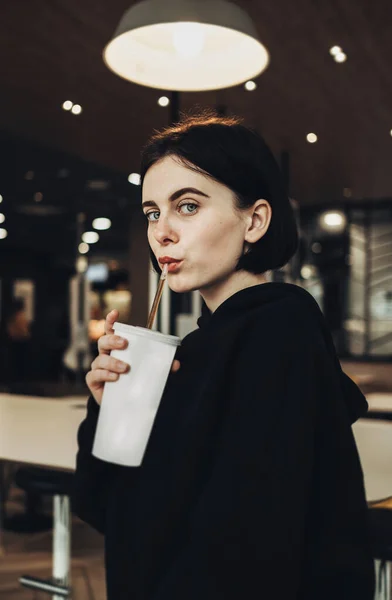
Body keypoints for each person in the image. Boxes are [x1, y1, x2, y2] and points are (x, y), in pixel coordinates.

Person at [72, 111, 375, 600]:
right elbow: (106, 506)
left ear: (254, 220)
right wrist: (108, 408)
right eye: (152, 212)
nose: (161, 233)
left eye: (187, 206)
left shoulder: (277, 334)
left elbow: (248, 548)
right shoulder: (203, 347)